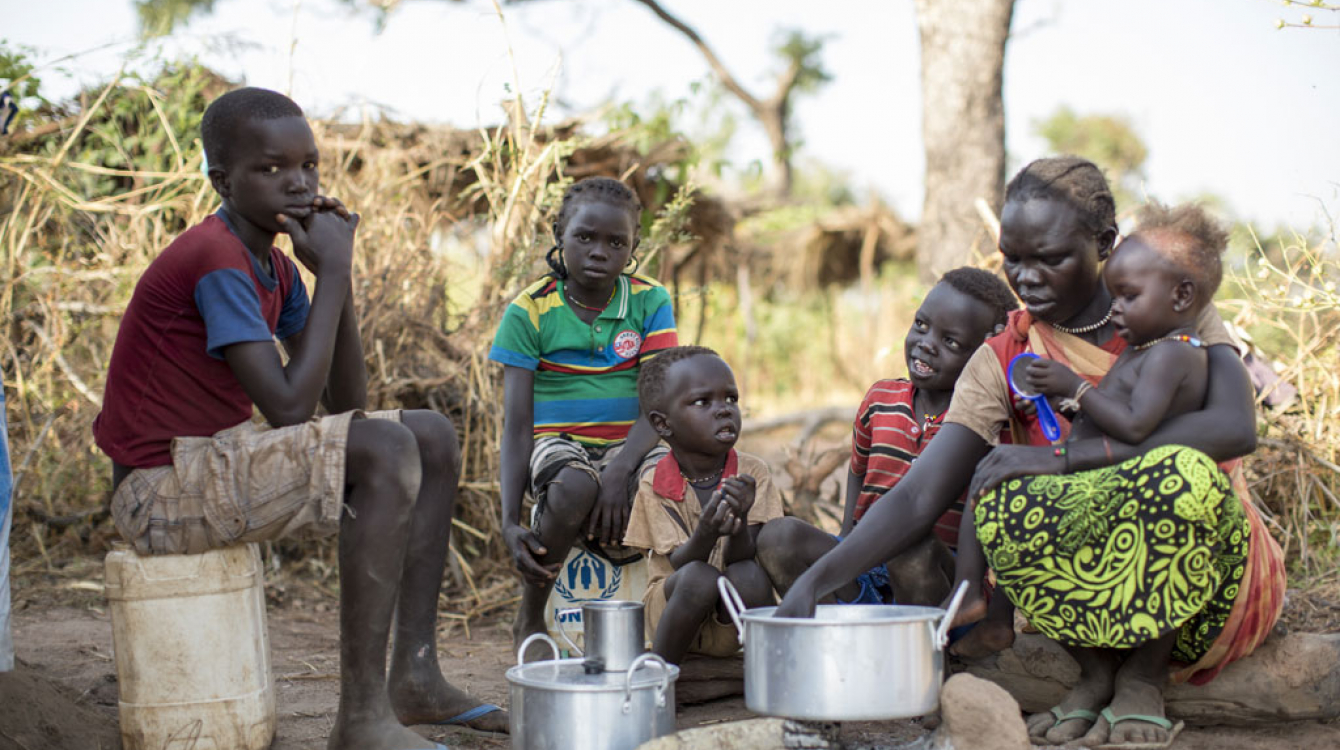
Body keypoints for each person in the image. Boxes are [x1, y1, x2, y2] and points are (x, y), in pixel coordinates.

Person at [776, 157, 1285, 749]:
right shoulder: (1004, 354)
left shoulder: (1170, 306)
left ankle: (1144, 677)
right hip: (1085, 601)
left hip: (1206, 586)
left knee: (1182, 473)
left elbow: (1232, 427)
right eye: (1012, 258)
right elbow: (919, 492)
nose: (1027, 276)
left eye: (1050, 258)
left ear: (1103, 243)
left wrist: (1065, 459)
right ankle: (1094, 675)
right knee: (997, 483)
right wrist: (814, 582)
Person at [92, 87, 503, 750]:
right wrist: (335, 272)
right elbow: (287, 406)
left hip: (217, 460)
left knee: (427, 435)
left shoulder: (274, 266)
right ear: (222, 181)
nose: (299, 183)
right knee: (385, 450)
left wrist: (329, 278)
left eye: (308, 165)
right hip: (159, 491)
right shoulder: (215, 260)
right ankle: (362, 719)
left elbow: (346, 403)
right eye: (271, 168)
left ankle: (416, 678)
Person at [949, 202, 1237, 671]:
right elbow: (1121, 410)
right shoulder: (1147, 347)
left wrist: (1075, 388)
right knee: (996, 482)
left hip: (1128, 493)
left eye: (1128, 297)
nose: (1115, 308)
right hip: (1100, 476)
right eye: (1114, 296)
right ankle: (980, 602)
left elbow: (1135, 425)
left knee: (1012, 487)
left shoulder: (1173, 354)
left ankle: (1134, 674)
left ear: (1182, 297)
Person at [489, 177, 678, 656]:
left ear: (634, 247)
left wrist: (619, 470)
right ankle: (530, 615)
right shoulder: (530, 310)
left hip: (635, 442)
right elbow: (517, 425)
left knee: (670, 485)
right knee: (575, 485)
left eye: (617, 242)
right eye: (585, 237)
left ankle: (672, 619)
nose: (600, 251)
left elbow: (658, 407)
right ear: (559, 233)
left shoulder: (649, 301)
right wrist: (509, 520)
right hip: (559, 443)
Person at [756, 268, 1016, 607]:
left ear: (985, 353)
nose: (926, 344)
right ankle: (843, 630)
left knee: (912, 547)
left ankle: (931, 654)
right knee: (778, 537)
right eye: (921, 325)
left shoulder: (987, 425)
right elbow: (858, 469)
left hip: (938, 578)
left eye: (950, 341)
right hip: (864, 563)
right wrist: (848, 534)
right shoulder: (881, 399)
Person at [622, 346, 783, 664]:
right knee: (699, 577)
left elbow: (744, 558)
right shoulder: (656, 482)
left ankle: (774, 671)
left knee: (749, 573)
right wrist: (707, 531)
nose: (724, 410)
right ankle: (661, 677)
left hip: (730, 620)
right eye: (702, 402)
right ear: (663, 424)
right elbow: (679, 564)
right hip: (674, 611)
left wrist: (739, 521)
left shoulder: (752, 473)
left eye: (731, 399)